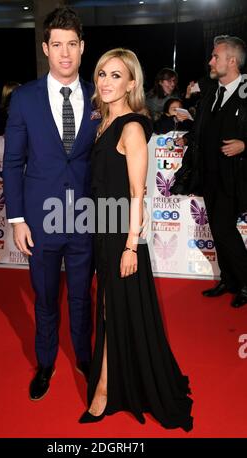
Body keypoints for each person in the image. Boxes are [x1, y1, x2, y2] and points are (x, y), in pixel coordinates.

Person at [79, 48, 193, 431]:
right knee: (112, 309)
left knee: (116, 309)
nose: (107, 82)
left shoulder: (131, 126)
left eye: (116, 76)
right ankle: (115, 383)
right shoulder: (101, 123)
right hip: (102, 229)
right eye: (102, 74)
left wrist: (131, 245)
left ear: (132, 83)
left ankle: (105, 390)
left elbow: (136, 191)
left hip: (121, 237)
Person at [3, 7, 100, 400]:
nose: (64, 53)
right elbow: (12, 162)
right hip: (39, 220)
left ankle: (84, 357)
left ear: (82, 48)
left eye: (71, 45)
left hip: (85, 216)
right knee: (44, 297)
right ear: (46, 48)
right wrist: (17, 218)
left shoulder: (100, 94)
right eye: (56, 45)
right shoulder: (25, 98)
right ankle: (45, 362)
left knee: (82, 295)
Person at [171, 35, 247, 308]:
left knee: (225, 230)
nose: (210, 61)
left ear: (232, 61)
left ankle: (244, 282)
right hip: (209, 176)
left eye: (216, 57)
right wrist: (188, 139)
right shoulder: (213, 92)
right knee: (217, 229)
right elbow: (205, 127)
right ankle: (229, 280)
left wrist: (244, 144)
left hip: (234, 176)